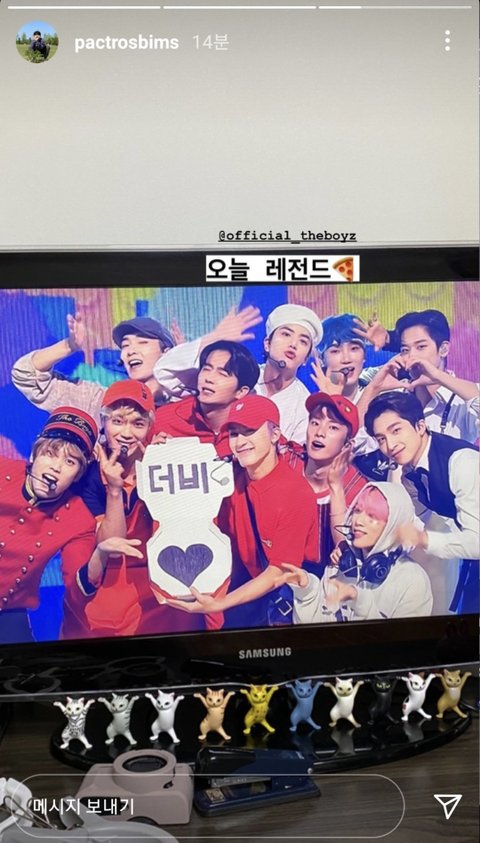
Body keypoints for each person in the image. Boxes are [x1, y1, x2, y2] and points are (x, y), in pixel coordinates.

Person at [164, 395, 319, 628]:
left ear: (275, 435)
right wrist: (163, 453)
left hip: (284, 601)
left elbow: (279, 573)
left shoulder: (295, 492)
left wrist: (221, 603)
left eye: (250, 431)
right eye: (235, 433)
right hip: (247, 594)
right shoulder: (230, 476)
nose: (241, 441)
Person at [66, 380, 201, 638]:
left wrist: (162, 470)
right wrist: (115, 490)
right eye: (117, 421)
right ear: (104, 422)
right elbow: (112, 546)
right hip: (102, 600)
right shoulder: (87, 474)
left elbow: (185, 533)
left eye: (138, 424)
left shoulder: (167, 468)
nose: (126, 433)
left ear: (150, 427)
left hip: (161, 597)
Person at [0, 407, 141, 643]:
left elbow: (77, 590)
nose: (56, 467)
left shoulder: (77, 517)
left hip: (8, 615)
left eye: (70, 461)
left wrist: (100, 554)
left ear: (77, 474)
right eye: (50, 454)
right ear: (34, 455)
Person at [11, 305, 262, 424]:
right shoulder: (100, 400)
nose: (130, 350)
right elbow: (26, 375)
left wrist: (193, 355)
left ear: (167, 351)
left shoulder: (194, 402)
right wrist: (69, 346)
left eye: (142, 342)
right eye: (125, 345)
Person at [364, 391, 479, 614]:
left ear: (420, 426)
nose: (390, 445)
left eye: (396, 430)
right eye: (381, 439)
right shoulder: (410, 471)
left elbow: (477, 542)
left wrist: (424, 539)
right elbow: (414, 516)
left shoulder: (461, 462)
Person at [282, 482, 433, 622]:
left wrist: (361, 604)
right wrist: (307, 593)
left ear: (394, 525)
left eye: (372, 516)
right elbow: (315, 630)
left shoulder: (413, 581)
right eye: (357, 510)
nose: (358, 521)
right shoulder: (341, 565)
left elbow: (403, 641)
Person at [355, 309, 479, 442]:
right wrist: (374, 388)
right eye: (405, 350)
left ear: (443, 349)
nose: (412, 356)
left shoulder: (462, 400)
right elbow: (353, 440)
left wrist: (437, 376)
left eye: (421, 347)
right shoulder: (394, 396)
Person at [285, 393, 366, 568]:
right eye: (315, 422)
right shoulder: (286, 462)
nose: (319, 433)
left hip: (327, 577)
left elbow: (347, 553)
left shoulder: (358, 490)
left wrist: (336, 487)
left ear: (347, 445)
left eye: (333, 427)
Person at [153, 340, 260, 457]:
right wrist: (151, 454)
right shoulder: (164, 417)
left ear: (241, 392)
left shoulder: (256, 429)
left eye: (222, 374)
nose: (208, 378)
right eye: (206, 369)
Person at [255, 304, 323, 442]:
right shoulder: (242, 378)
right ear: (267, 344)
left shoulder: (304, 406)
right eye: (286, 334)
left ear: (305, 359)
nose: (293, 344)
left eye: (303, 341)